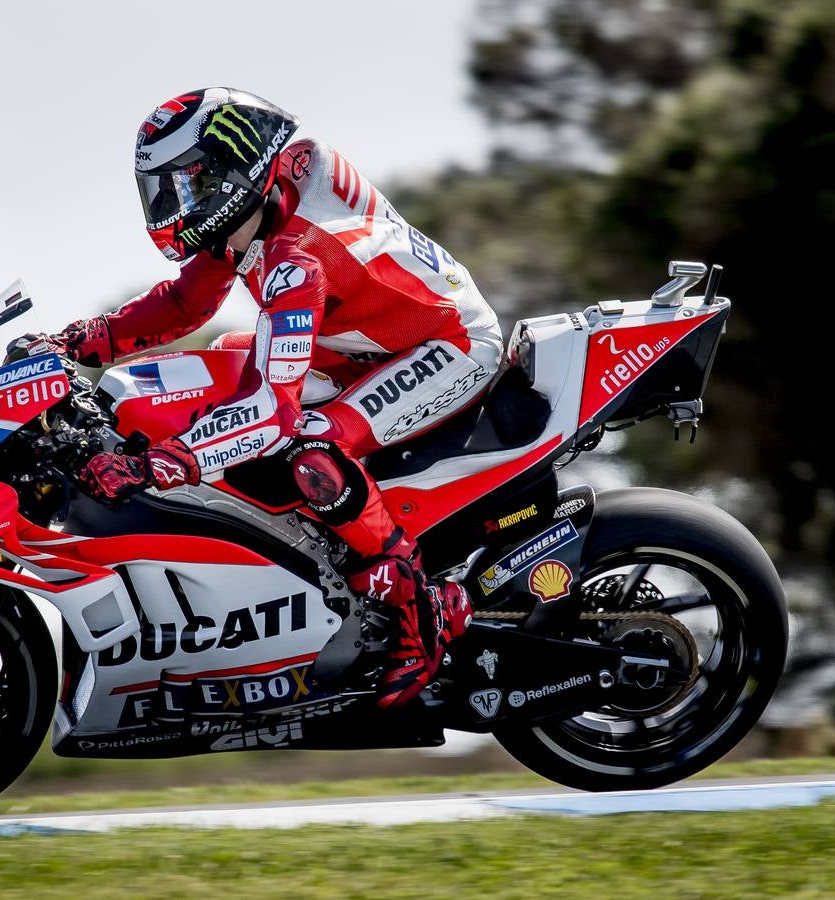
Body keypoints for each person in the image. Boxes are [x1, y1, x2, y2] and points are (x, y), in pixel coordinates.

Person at [56, 88, 503, 708]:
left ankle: (414, 609)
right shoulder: (262, 201)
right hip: (363, 341)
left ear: (232, 168)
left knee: (311, 445)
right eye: (162, 189)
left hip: (449, 344)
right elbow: (189, 302)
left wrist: (163, 462)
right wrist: (86, 341)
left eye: (186, 184)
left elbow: (273, 412)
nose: (171, 205)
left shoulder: (299, 257)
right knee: (222, 365)